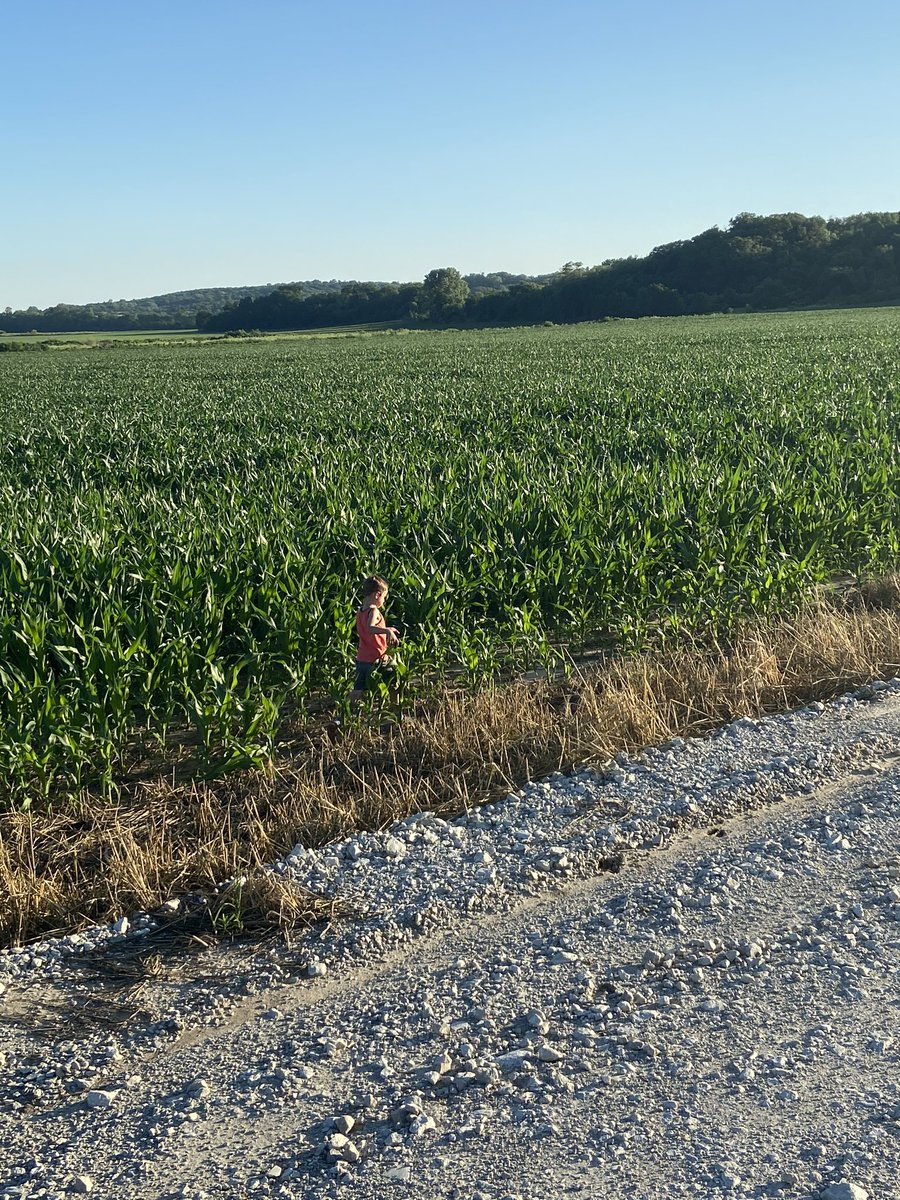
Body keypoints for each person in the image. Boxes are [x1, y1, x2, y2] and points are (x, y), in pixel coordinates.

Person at [350, 575, 400, 701]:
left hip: (362, 658)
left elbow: (369, 629)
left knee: (358, 689)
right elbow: (370, 628)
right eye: (384, 597)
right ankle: (396, 708)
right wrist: (388, 631)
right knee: (393, 682)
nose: (384, 601)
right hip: (376, 658)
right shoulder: (374, 611)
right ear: (377, 595)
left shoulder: (361, 611)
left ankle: (343, 710)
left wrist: (387, 629)